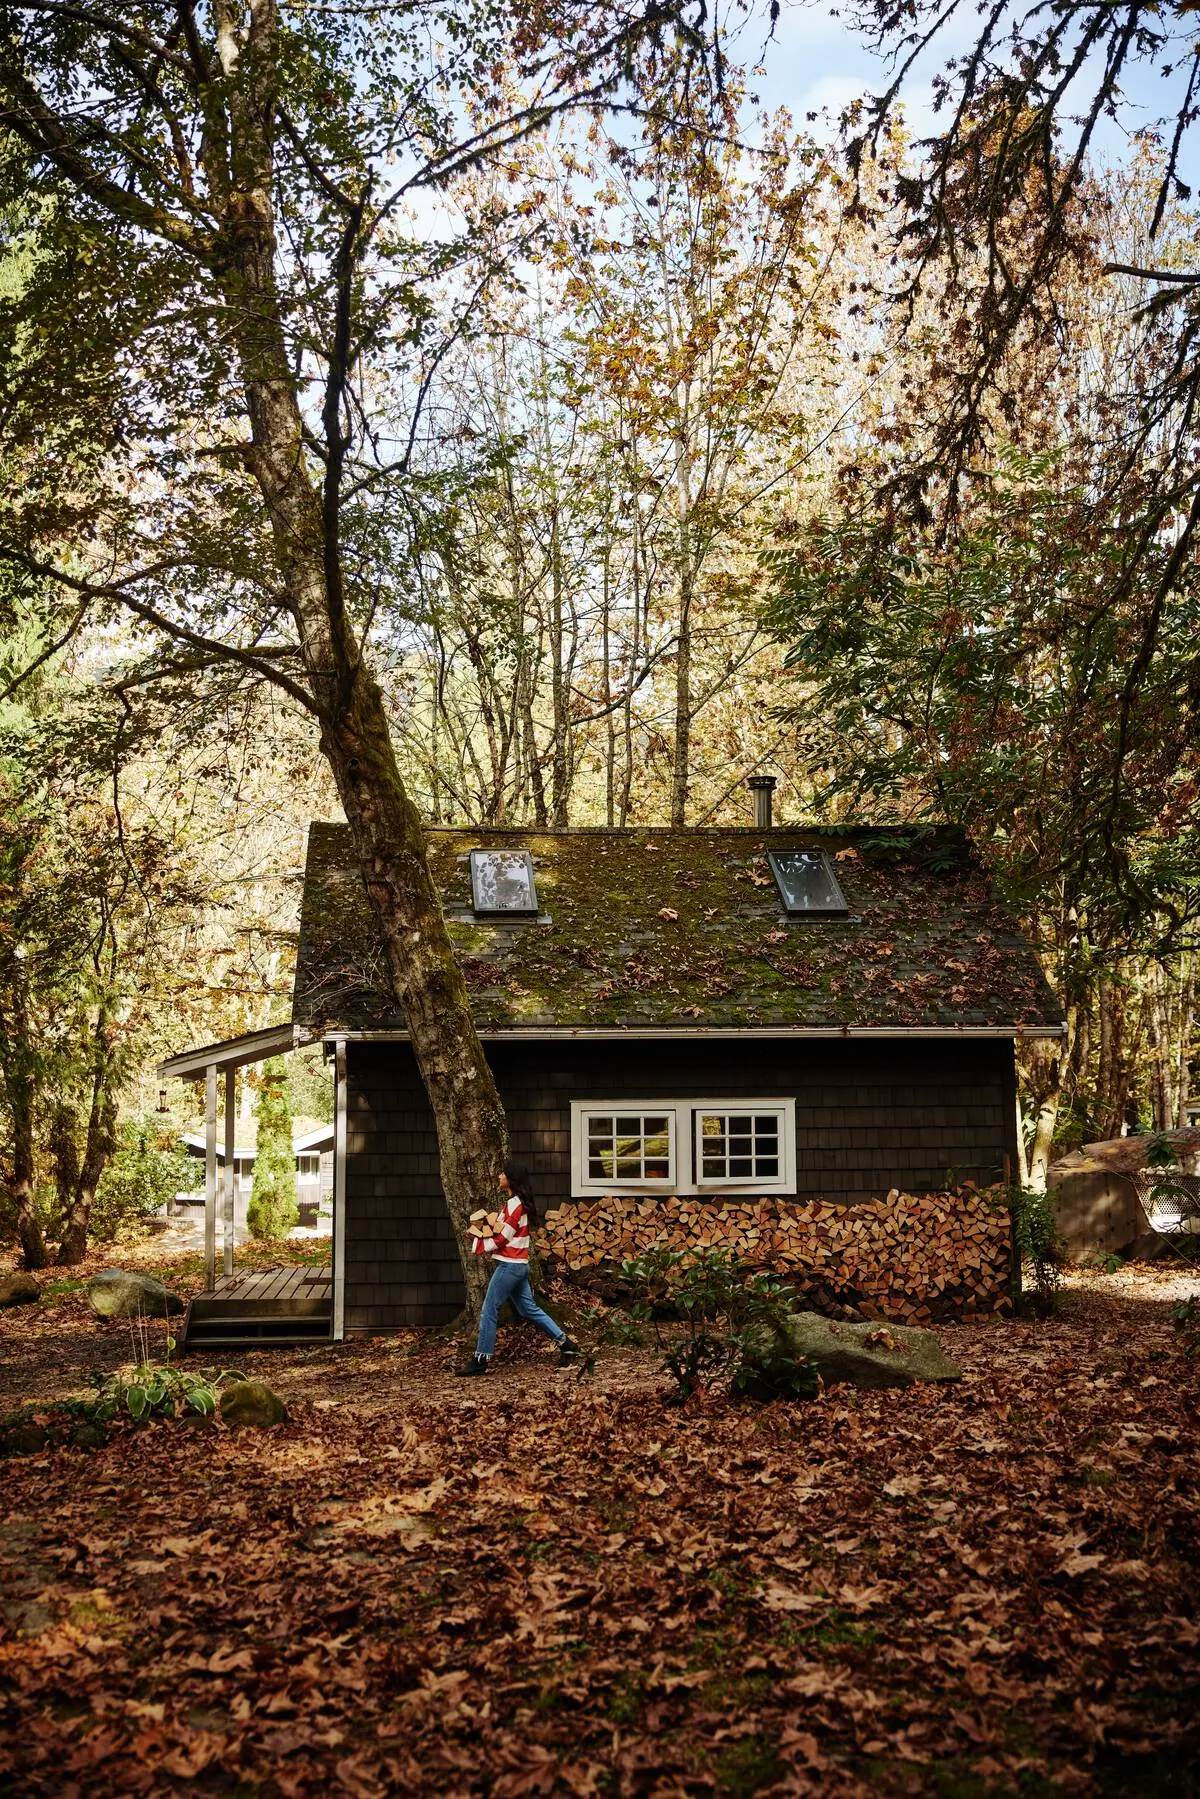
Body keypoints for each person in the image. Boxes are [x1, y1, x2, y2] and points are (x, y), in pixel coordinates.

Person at [456, 1162, 581, 1377]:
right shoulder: (514, 1204)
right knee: (528, 1310)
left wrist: (478, 1246)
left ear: (511, 1179)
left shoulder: (515, 1205)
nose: (499, 1176)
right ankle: (567, 1345)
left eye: (503, 1173)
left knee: (489, 1310)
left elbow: (503, 1238)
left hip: (510, 1266)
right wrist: (477, 1233)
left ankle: (480, 1360)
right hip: (518, 1266)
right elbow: (498, 1231)